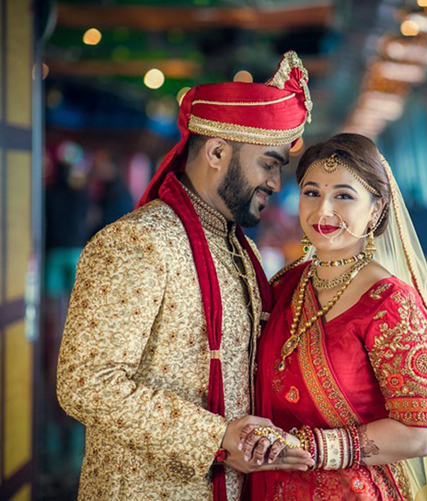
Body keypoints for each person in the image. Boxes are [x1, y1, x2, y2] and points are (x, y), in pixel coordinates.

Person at [56, 52, 316, 501]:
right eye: (269, 163)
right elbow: (85, 382)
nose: (276, 183)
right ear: (217, 152)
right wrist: (215, 437)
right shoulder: (139, 242)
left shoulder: (240, 248)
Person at [249, 134, 427, 500]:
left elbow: (418, 434)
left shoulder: (392, 303)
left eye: (343, 196)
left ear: (376, 208)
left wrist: (312, 448)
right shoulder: (284, 285)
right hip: (268, 483)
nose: (322, 211)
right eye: (311, 193)